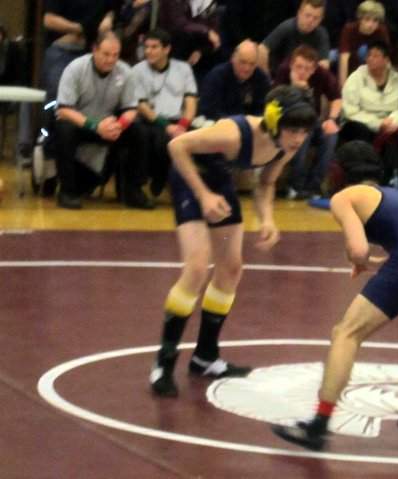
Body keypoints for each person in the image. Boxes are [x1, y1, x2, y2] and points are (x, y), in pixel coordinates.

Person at [272, 140, 398, 450]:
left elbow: (359, 249)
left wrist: (360, 260)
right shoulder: (391, 195)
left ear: (339, 171)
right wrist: (369, 258)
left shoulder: (345, 197)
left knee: (346, 332)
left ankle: (318, 425)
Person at [150, 85, 317, 397]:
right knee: (197, 268)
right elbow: (177, 146)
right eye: (293, 130)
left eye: (304, 132)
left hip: (218, 182)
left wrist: (267, 218)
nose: (298, 138)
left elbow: (266, 182)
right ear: (274, 120)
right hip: (190, 178)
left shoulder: (286, 146)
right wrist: (203, 194)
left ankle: (205, 357)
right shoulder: (233, 134)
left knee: (231, 268)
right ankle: (164, 362)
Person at [54, 31, 153, 210]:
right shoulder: (75, 68)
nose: (111, 60)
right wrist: (95, 126)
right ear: (94, 50)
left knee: (140, 131)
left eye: (115, 55)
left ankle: (133, 190)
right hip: (81, 123)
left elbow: (131, 109)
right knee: (64, 129)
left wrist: (119, 126)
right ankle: (67, 191)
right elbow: (64, 109)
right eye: (106, 54)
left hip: (109, 126)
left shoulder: (126, 72)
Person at [341, 41, 398, 197]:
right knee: (359, 131)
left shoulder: (397, 79)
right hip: (363, 122)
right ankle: (366, 182)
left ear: (386, 60)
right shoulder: (356, 78)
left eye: (376, 56)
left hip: (393, 123)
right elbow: (350, 111)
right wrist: (378, 123)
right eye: (369, 55)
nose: (371, 59)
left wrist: (395, 120)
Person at [132, 29, 198, 197]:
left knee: (195, 138)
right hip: (152, 120)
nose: (148, 51)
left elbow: (191, 101)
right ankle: (157, 178)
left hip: (178, 121)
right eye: (146, 47)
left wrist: (183, 125)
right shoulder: (137, 71)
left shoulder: (183, 69)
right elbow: (141, 105)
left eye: (154, 47)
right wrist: (166, 125)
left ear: (166, 49)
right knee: (159, 138)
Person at [274, 45, 341, 199]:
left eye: (307, 69)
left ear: (314, 69)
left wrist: (331, 120)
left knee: (331, 136)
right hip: (288, 122)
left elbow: (336, 98)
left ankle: (314, 187)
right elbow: (274, 103)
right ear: (291, 65)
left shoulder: (321, 74)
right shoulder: (283, 71)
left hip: (313, 121)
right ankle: (295, 186)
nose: (302, 72)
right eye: (299, 67)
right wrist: (294, 88)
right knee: (304, 133)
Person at [198, 40, 270, 121]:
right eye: (243, 62)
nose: (247, 68)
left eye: (252, 64)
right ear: (233, 59)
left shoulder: (261, 79)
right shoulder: (217, 77)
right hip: (219, 124)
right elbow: (209, 110)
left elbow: (262, 110)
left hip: (249, 125)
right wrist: (236, 123)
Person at [258, 0, 331, 75]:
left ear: (321, 19)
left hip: (306, 75)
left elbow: (324, 64)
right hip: (282, 75)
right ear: (299, 13)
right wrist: (266, 76)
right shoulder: (287, 27)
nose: (310, 21)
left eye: (316, 18)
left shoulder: (321, 33)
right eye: (307, 15)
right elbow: (262, 49)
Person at [337, 0, 390, 88]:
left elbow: (386, 59)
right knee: (333, 55)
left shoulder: (381, 31)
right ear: (360, 19)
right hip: (352, 62)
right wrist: (343, 86)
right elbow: (344, 58)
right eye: (367, 19)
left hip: (370, 66)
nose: (371, 24)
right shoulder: (349, 29)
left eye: (375, 21)